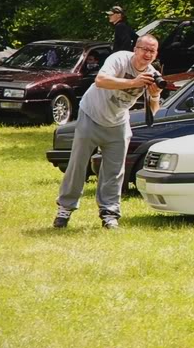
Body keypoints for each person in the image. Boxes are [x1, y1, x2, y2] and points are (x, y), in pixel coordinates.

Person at [53, 34, 161, 229]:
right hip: (91, 114)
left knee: (115, 171)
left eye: (152, 51)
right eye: (144, 49)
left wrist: (155, 95)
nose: (147, 54)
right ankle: (64, 210)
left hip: (118, 122)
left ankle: (109, 214)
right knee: (78, 164)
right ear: (135, 49)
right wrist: (133, 83)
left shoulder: (151, 74)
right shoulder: (119, 59)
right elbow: (100, 80)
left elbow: (152, 112)